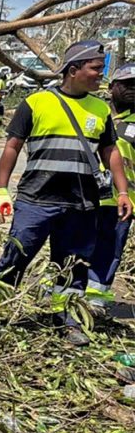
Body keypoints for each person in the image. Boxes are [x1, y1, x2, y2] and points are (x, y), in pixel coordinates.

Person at [0, 41, 133, 345]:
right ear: (73, 70)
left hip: (81, 204)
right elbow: (12, 147)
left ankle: (66, 318)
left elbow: (110, 151)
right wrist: (1, 190)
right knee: (16, 255)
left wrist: (123, 191)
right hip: (36, 199)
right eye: (95, 69)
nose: (99, 76)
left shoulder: (100, 109)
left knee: (72, 264)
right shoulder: (35, 103)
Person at [87, 63, 135, 309]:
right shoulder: (95, 114)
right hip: (85, 197)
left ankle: (95, 302)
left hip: (121, 202)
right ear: (112, 86)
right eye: (127, 84)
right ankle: (65, 296)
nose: (132, 90)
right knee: (76, 248)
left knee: (108, 251)